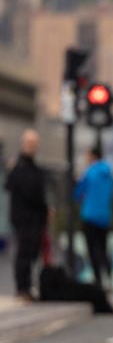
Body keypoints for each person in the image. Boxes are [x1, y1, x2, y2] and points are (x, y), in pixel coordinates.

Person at [4, 127, 49, 302]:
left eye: (35, 143)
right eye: (31, 143)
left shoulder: (29, 166)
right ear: (24, 144)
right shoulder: (20, 167)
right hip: (24, 218)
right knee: (24, 253)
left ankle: (27, 287)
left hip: (33, 218)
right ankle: (22, 288)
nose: (34, 146)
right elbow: (30, 192)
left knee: (31, 253)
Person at [74, 144, 113, 287]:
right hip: (105, 216)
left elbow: (77, 193)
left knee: (92, 249)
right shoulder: (109, 173)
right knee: (103, 248)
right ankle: (109, 277)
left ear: (92, 156)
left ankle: (98, 280)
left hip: (90, 216)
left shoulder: (89, 172)